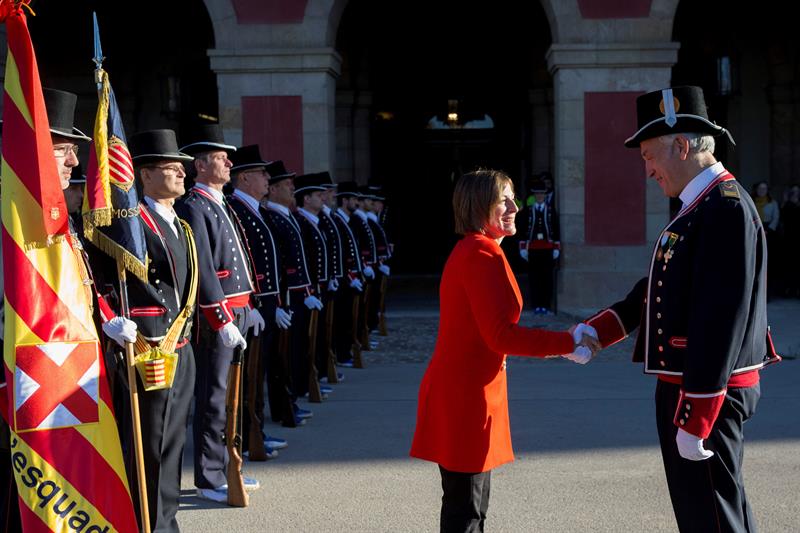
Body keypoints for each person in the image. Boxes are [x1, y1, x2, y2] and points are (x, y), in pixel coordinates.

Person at [585, 86, 781, 533]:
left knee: (710, 518)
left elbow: (720, 316)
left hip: (705, 390)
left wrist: (698, 411)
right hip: (691, 385)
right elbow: (663, 286)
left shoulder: (724, 208)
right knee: (714, 511)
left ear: (681, 145)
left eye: (649, 156)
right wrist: (603, 328)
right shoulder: (700, 204)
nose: (648, 170)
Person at [409, 169, 599, 533]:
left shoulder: (478, 250)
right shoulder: (481, 254)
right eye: (504, 200)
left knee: (470, 507)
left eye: (514, 198)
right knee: (467, 511)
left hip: (468, 393)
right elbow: (501, 336)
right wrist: (566, 343)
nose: (515, 206)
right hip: (466, 398)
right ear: (479, 206)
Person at [101, 129, 198, 531]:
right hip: (148, 347)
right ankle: (149, 523)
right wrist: (110, 318)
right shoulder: (126, 224)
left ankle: (166, 520)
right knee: (151, 445)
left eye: (181, 169)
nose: (181, 175)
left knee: (173, 443)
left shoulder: (181, 224)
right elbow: (102, 283)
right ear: (144, 175)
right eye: (171, 168)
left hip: (180, 346)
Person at [175, 124, 263, 502]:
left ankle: (229, 465)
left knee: (232, 396)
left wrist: (251, 305)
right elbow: (205, 269)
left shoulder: (217, 202)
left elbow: (238, 261)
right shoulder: (194, 205)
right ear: (200, 165)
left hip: (239, 310)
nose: (229, 162)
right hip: (219, 317)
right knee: (213, 398)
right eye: (220, 158)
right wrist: (223, 318)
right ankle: (210, 477)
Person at [226, 144, 293, 450]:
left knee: (258, 371)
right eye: (260, 173)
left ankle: (257, 431)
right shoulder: (237, 210)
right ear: (243, 179)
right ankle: (248, 435)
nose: (268, 178)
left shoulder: (255, 210)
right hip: (252, 305)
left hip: (265, 303)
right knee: (250, 375)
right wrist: (255, 303)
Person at [262, 160, 317, 422]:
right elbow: (280, 265)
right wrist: (280, 302)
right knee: (281, 357)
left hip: (294, 295)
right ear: (272, 190)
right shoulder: (271, 217)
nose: (292, 188)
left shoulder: (285, 216)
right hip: (284, 297)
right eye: (286, 184)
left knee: (291, 351)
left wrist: (306, 292)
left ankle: (290, 402)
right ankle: (284, 406)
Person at [519, 179, 560, 314]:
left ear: (545, 195)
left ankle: (546, 306)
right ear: (534, 196)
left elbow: (556, 229)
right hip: (533, 249)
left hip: (548, 249)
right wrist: (523, 248)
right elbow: (523, 229)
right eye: (537, 194)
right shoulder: (529, 210)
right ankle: (536, 305)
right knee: (534, 278)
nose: (540, 196)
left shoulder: (550, 211)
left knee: (547, 278)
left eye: (542, 194)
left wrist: (556, 248)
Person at [780, 184, 800, 297]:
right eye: (793, 191)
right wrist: (785, 201)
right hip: (788, 238)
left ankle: (796, 289)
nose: (795, 194)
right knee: (788, 264)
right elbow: (783, 218)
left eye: (797, 191)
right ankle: (787, 288)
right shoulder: (786, 204)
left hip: (798, 238)